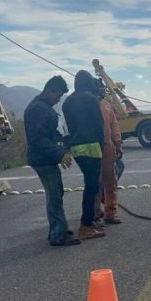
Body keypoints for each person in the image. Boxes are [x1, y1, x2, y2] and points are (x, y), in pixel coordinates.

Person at [24, 76, 79, 246]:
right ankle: (58, 235)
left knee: (56, 192)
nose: (58, 99)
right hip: (43, 160)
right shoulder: (38, 110)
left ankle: (58, 228)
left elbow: (49, 135)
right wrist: (59, 154)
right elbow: (38, 139)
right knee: (54, 195)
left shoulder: (41, 107)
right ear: (49, 91)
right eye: (57, 95)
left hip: (45, 158)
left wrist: (63, 143)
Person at [62, 70, 106, 240]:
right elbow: (98, 125)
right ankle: (86, 225)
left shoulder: (67, 102)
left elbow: (68, 127)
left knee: (90, 185)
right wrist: (102, 145)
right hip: (92, 147)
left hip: (77, 148)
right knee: (92, 187)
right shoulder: (91, 100)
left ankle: (90, 223)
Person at [93, 78, 123, 225]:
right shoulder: (93, 105)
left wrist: (118, 144)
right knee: (97, 183)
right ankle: (97, 213)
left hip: (107, 148)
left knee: (110, 182)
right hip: (97, 148)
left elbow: (114, 127)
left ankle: (109, 212)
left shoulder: (106, 106)